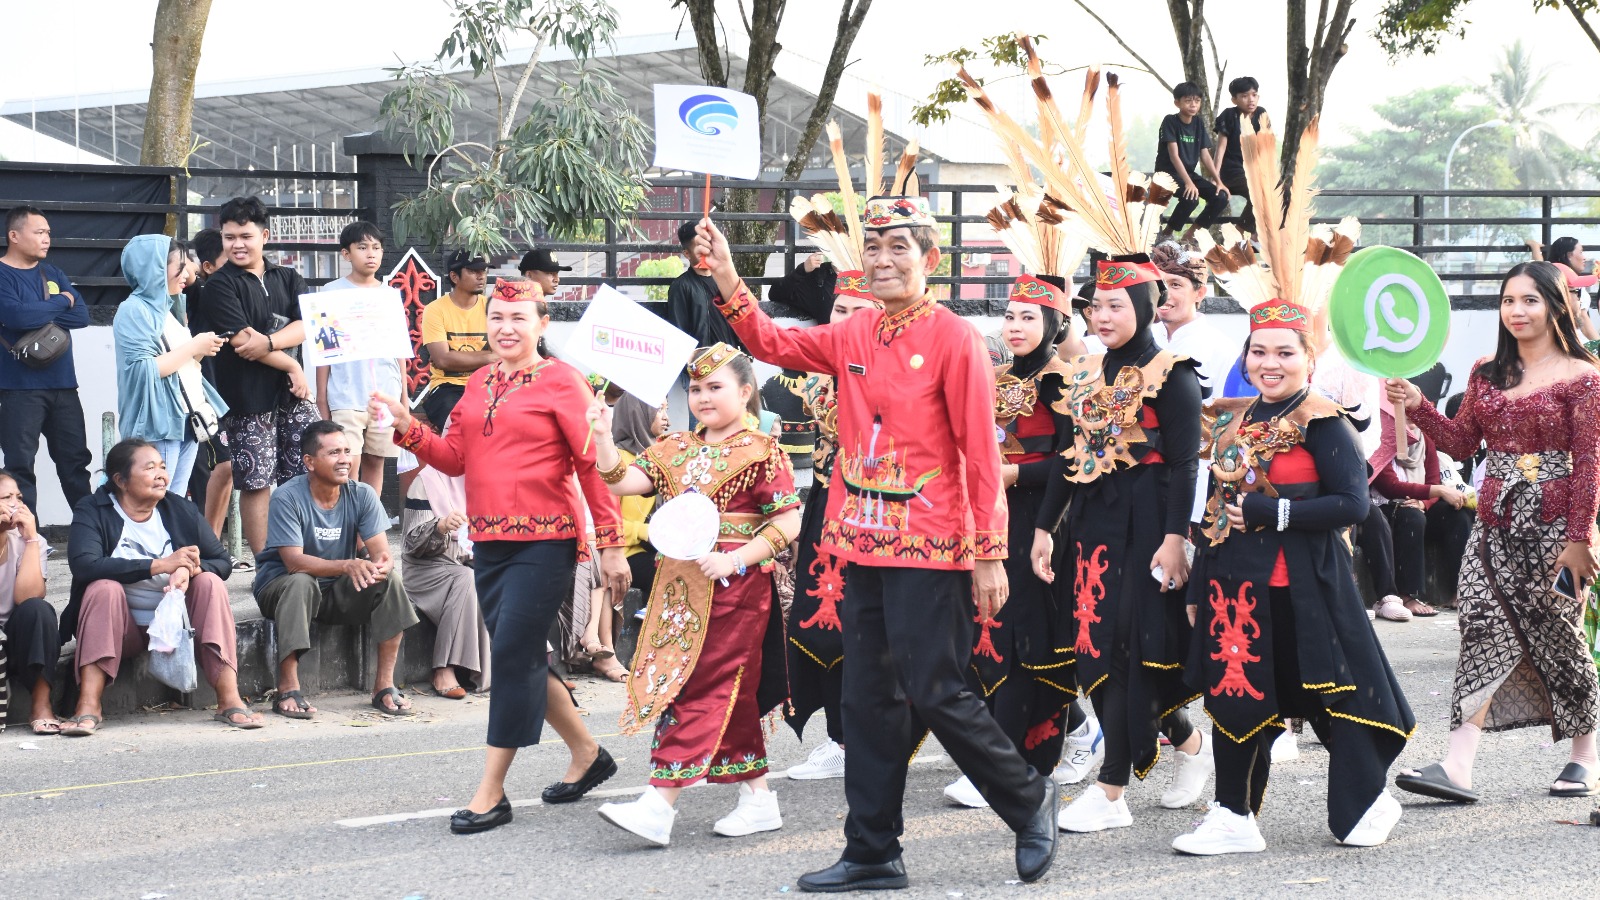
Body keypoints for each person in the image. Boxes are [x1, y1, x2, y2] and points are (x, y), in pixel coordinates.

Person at [693, 195, 1060, 889]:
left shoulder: (953, 338)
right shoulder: (856, 333)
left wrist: (989, 553)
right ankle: (872, 850)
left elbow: (981, 454)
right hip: (858, 544)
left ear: (931, 259)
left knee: (937, 687)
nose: (884, 259)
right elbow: (772, 343)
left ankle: (1027, 796)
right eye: (875, 248)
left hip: (933, 545)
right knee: (865, 701)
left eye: (900, 248)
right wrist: (726, 278)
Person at [371, 279, 630, 834]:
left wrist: (611, 547)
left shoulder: (564, 381)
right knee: (523, 658)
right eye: (497, 318)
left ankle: (491, 792)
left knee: (511, 653)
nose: (506, 328)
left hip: (548, 541)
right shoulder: (479, 381)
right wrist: (406, 426)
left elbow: (593, 468)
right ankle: (588, 753)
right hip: (488, 545)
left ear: (542, 324)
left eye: (518, 317)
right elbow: (455, 458)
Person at [1172, 298, 1414, 854]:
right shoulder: (1236, 418)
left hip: (1306, 586)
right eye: (1259, 351)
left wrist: (1275, 513)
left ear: (1309, 357)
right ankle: (1233, 815)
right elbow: (1216, 507)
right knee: (1237, 695)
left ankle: (1370, 797)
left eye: (1285, 352)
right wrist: (1197, 582)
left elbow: (1354, 505)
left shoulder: (1324, 420)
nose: (1269, 363)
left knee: (1329, 698)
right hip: (1235, 590)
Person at [1390, 260, 1600, 802]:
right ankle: (1457, 766)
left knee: (1559, 635)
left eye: (1530, 300)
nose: (1517, 311)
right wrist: (1419, 407)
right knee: (1480, 626)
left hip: (1559, 530)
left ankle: (1584, 754)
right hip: (1495, 523)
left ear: (1557, 306)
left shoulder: (1585, 377)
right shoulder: (1485, 372)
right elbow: (1461, 444)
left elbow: (1590, 465)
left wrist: (1581, 539)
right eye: (1508, 301)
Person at [591, 343, 803, 845]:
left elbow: (789, 520)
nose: (704, 397)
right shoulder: (676, 447)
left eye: (716, 387)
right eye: (696, 389)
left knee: (701, 685)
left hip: (737, 587)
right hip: (678, 586)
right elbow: (623, 481)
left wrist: (735, 558)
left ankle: (659, 803)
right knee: (727, 693)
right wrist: (602, 434)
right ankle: (758, 800)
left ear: (745, 392)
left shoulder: (761, 450)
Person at [1034, 256, 1210, 832]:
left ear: (1143, 306)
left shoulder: (1173, 372)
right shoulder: (1082, 373)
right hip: (1090, 530)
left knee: (1130, 651)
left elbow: (1184, 464)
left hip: (1148, 529)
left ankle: (1111, 790)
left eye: (1115, 305)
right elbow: (1066, 459)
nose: (1101, 315)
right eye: (1095, 306)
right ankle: (1188, 745)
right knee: (1094, 650)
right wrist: (1043, 527)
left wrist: (1175, 539)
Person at [945, 274, 1080, 810]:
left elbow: (1074, 463)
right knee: (991, 632)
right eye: (1010, 316)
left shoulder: (1065, 382)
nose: (1017, 326)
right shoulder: (993, 376)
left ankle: (1021, 760)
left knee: (1032, 641)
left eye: (1030, 317)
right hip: (990, 518)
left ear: (1054, 323)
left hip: (1044, 521)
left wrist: (1016, 478)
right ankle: (1002, 758)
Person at [62, 439, 259, 735]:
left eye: (163, 467)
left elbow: (221, 561)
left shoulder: (178, 508)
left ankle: (230, 700)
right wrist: (159, 564)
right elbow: (85, 565)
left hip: (174, 627)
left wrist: (188, 568)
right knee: (103, 587)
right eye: (150, 467)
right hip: (123, 628)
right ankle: (88, 705)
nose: (161, 474)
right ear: (120, 480)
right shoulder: (93, 509)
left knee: (210, 582)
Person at [252, 421, 419, 720]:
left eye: (347, 451)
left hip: (334, 590)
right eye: (333, 453)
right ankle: (288, 686)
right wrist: (347, 565)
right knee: (301, 582)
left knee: (389, 582)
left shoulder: (362, 494)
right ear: (310, 462)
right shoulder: (287, 497)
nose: (344, 459)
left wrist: (379, 567)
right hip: (282, 588)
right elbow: (293, 562)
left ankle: (384, 685)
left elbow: (383, 554)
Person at [783, 271, 878, 783]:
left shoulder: (886, 377)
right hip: (826, 508)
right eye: (837, 310)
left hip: (877, 514)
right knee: (822, 625)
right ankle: (841, 738)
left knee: (869, 632)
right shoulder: (823, 376)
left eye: (854, 312)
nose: (841, 321)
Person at [201, 196, 319, 556]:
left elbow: (308, 323)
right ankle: (267, 565)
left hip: (293, 395)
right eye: (229, 236)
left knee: (308, 473)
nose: (237, 244)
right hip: (246, 399)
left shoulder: (288, 276)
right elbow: (239, 340)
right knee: (256, 482)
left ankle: (305, 554)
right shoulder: (219, 285)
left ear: (264, 235)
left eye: (245, 236)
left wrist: (268, 342)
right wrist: (292, 363)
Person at [113, 235, 229, 495]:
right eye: (180, 265)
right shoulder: (134, 310)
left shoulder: (167, 308)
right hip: (160, 423)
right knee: (159, 497)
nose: (187, 272)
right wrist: (194, 346)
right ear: (154, 268)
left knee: (172, 500)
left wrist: (201, 349)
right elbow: (146, 370)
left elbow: (178, 364)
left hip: (186, 420)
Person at [0, 205, 93, 513]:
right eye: (39, 232)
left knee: (75, 464)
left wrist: (42, 312)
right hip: (17, 389)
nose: (47, 239)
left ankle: (90, 537)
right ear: (14, 235)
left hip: (64, 386)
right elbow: (15, 316)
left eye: (48, 233)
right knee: (20, 467)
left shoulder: (51, 273)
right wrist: (60, 301)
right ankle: (29, 542)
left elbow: (81, 315)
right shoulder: (2, 274)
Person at [315, 222, 404, 497]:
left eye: (376, 248)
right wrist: (321, 398)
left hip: (384, 394)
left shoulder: (390, 295)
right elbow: (324, 348)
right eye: (362, 247)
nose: (371, 254)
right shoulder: (330, 292)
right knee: (346, 463)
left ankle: (365, 534)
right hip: (345, 394)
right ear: (346, 254)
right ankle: (347, 526)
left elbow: (399, 348)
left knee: (376, 461)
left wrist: (404, 398)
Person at [402, 443, 491, 698]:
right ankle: (443, 668)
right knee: (467, 579)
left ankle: (533, 669)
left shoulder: (484, 479)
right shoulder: (427, 481)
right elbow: (412, 545)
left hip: (471, 563)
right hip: (428, 567)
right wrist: (439, 527)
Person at [1367, 399, 1471, 618]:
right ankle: (1408, 595)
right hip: (1388, 505)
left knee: (1458, 516)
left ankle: (1459, 590)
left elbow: (1432, 480)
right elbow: (1389, 486)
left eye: (1413, 411)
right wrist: (1438, 492)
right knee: (1411, 517)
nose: (1412, 417)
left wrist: (1425, 502)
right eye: (1404, 413)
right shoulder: (1380, 441)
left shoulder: (1425, 441)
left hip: (1419, 503)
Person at [0, 470, 61, 734]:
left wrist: (31, 540)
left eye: (19, 497)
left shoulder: (31, 541)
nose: (16, 505)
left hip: (16, 642)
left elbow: (28, 597)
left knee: (39, 610)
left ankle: (41, 704)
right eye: (6, 497)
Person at [415, 251, 492, 429]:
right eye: (473, 271)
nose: (481, 276)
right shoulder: (435, 310)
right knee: (460, 424)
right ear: (454, 276)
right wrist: (489, 357)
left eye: (483, 271)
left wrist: (455, 358)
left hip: (486, 384)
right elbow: (442, 360)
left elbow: (504, 355)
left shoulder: (491, 307)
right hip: (447, 387)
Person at [1155, 83, 1228, 238]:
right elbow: (1174, 156)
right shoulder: (1170, 121)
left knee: (1220, 197)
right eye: (1188, 100)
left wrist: (1218, 181)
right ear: (1177, 103)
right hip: (1167, 174)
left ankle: (1190, 236)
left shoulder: (1198, 123)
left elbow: (1205, 155)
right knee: (1191, 197)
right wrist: (1189, 183)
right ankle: (1167, 234)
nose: (1193, 104)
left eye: (1197, 101)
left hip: (1187, 173)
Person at [665, 221, 744, 352]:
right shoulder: (681, 287)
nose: (707, 252)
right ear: (687, 254)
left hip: (730, 359)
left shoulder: (724, 280)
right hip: (702, 364)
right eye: (700, 250)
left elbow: (739, 318)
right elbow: (679, 334)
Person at [1210, 77, 1266, 235]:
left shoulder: (1261, 114)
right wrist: (1216, 177)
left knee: (1283, 192)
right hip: (1232, 172)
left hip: (1254, 171)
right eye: (1244, 96)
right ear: (1234, 99)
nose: (1251, 100)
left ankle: (1263, 235)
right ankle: (1239, 232)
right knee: (1259, 193)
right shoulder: (1229, 115)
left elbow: (1264, 146)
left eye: (1254, 95)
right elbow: (1220, 148)